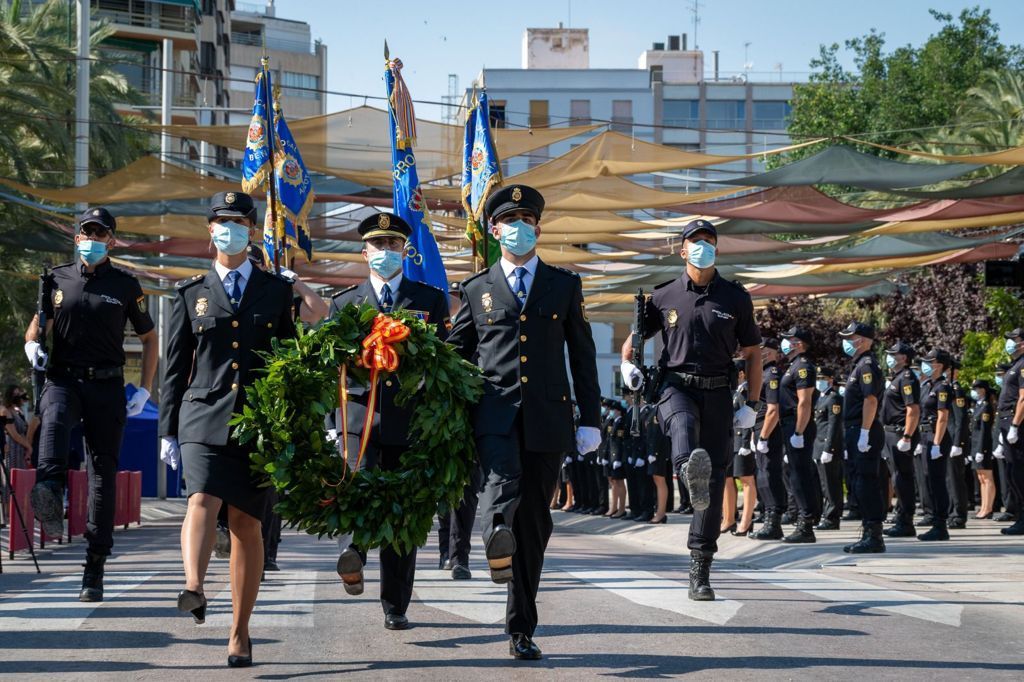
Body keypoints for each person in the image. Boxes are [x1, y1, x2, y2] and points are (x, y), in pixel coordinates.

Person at [447, 184, 601, 660]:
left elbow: (583, 354)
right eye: (509, 221)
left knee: (535, 522)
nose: (518, 228)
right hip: (493, 413)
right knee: (501, 483)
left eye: (526, 220)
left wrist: (590, 418)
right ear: (494, 230)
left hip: (549, 417)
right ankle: (495, 530)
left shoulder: (563, 284)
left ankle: (520, 627)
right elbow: (455, 355)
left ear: (538, 227)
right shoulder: (476, 289)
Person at [160, 191, 296, 667]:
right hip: (201, 414)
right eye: (221, 221)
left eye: (238, 222)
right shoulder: (190, 293)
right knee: (201, 497)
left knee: (246, 523)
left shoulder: (277, 291)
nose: (229, 229)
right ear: (210, 229)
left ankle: (239, 631)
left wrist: (292, 425)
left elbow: (288, 362)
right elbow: (175, 367)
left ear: (252, 232)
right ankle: (194, 585)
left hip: (257, 422)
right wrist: (167, 429)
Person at [620, 218, 762, 602]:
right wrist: (628, 367)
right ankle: (686, 468)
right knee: (683, 429)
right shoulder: (664, 296)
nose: (703, 245)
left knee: (713, 483)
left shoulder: (735, 297)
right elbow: (632, 344)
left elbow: (751, 355)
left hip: (718, 391)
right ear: (682, 250)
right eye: (695, 241)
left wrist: (752, 403)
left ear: (717, 248)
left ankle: (700, 570)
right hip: (675, 386)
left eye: (709, 240)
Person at [25, 206, 158, 601]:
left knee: (103, 473)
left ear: (112, 241)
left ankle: (95, 564)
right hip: (64, 377)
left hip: (107, 384)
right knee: (52, 426)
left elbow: (150, 338)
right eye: (87, 232)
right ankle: (49, 492)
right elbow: (39, 323)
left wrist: (145, 389)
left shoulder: (126, 285)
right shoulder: (55, 278)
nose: (92, 239)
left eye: (100, 234)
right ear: (77, 236)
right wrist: (32, 344)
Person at [328, 212, 452, 625]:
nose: (385, 252)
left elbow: (446, 362)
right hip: (358, 419)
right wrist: (331, 423)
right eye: (378, 246)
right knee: (356, 487)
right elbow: (330, 369)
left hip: (409, 422)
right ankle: (353, 552)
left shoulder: (429, 301)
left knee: (402, 513)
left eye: (393, 245)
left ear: (405, 250)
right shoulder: (345, 304)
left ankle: (395, 605)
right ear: (365, 253)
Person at [838, 322, 886, 554]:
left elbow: (871, 401)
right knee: (859, 482)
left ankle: (874, 536)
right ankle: (869, 531)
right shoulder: (858, 365)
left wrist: (865, 432)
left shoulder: (866, 366)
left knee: (866, 483)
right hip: (856, 429)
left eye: (851, 337)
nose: (847, 342)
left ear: (864, 340)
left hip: (863, 428)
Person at [777, 327, 819, 543]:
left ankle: (806, 525)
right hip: (790, 424)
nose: (785, 343)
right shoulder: (793, 366)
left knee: (800, 476)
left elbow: (805, 402)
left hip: (797, 423)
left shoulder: (803, 367)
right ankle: (804, 520)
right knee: (794, 473)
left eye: (789, 339)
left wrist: (799, 431)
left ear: (800, 344)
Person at [880, 341, 921, 538]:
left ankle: (905, 521)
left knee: (902, 478)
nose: (889, 357)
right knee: (896, 477)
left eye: (893, 354)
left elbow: (913, 409)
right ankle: (900, 517)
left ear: (903, 358)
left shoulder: (906, 378)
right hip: (890, 433)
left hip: (899, 433)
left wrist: (907, 435)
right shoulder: (896, 378)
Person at [916, 348, 953, 541]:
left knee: (937, 481)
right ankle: (934, 520)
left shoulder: (942, 387)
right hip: (925, 436)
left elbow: (942, 417)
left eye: (930, 362)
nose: (926, 365)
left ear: (939, 364)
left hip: (936, 436)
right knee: (929, 479)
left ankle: (941, 524)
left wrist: (937, 443)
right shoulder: (927, 385)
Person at [750, 338, 786, 541]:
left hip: (769, 432)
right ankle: (767, 517)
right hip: (761, 429)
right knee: (762, 477)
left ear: (770, 352)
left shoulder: (772, 374)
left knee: (770, 476)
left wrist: (763, 436)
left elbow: (773, 410)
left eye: (762, 350)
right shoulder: (761, 373)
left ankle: (774, 522)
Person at [724, 359, 757, 535]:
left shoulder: (746, 391)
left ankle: (746, 521)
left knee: (746, 480)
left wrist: (746, 443)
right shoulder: (735, 392)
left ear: (741, 374)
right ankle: (728, 518)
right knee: (727, 479)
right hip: (732, 442)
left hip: (742, 442)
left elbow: (749, 418)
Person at [996, 329, 1024, 535]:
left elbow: (1023, 398)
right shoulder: (1016, 365)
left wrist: (1015, 425)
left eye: (1013, 340)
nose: (1010, 344)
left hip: (1017, 424)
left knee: (1019, 472)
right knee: (1013, 472)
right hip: (1007, 422)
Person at [812, 366, 845, 530]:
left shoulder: (834, 398)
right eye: (818, 379)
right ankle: (826, 514)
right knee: (823, 484)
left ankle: (832, 518)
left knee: (831, 484)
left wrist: (829, 448)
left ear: (830, 380)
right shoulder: (820, 398)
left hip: (827, 446)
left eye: (822, 379)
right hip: (818, 445)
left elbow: (834, 425)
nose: (819, 382)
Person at [947, 360, 970, 528]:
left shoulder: (956, 390)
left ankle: (959, 515)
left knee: (955, 479)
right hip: (945, 439)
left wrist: (957, 443)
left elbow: (960, 419)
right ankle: (951, 512)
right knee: (948, 479)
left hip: (953, 440)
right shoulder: (945, 388)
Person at [970, 379, 997, 519]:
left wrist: (981, 449)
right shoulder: (978, 405)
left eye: (977, 389)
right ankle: (984, 506)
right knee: (981, 478)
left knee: (987, 478)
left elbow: (985, 431)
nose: (975, 391)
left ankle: (988, 508)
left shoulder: (986, 406)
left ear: (983, 390)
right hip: (976, 445)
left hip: (983, 446)